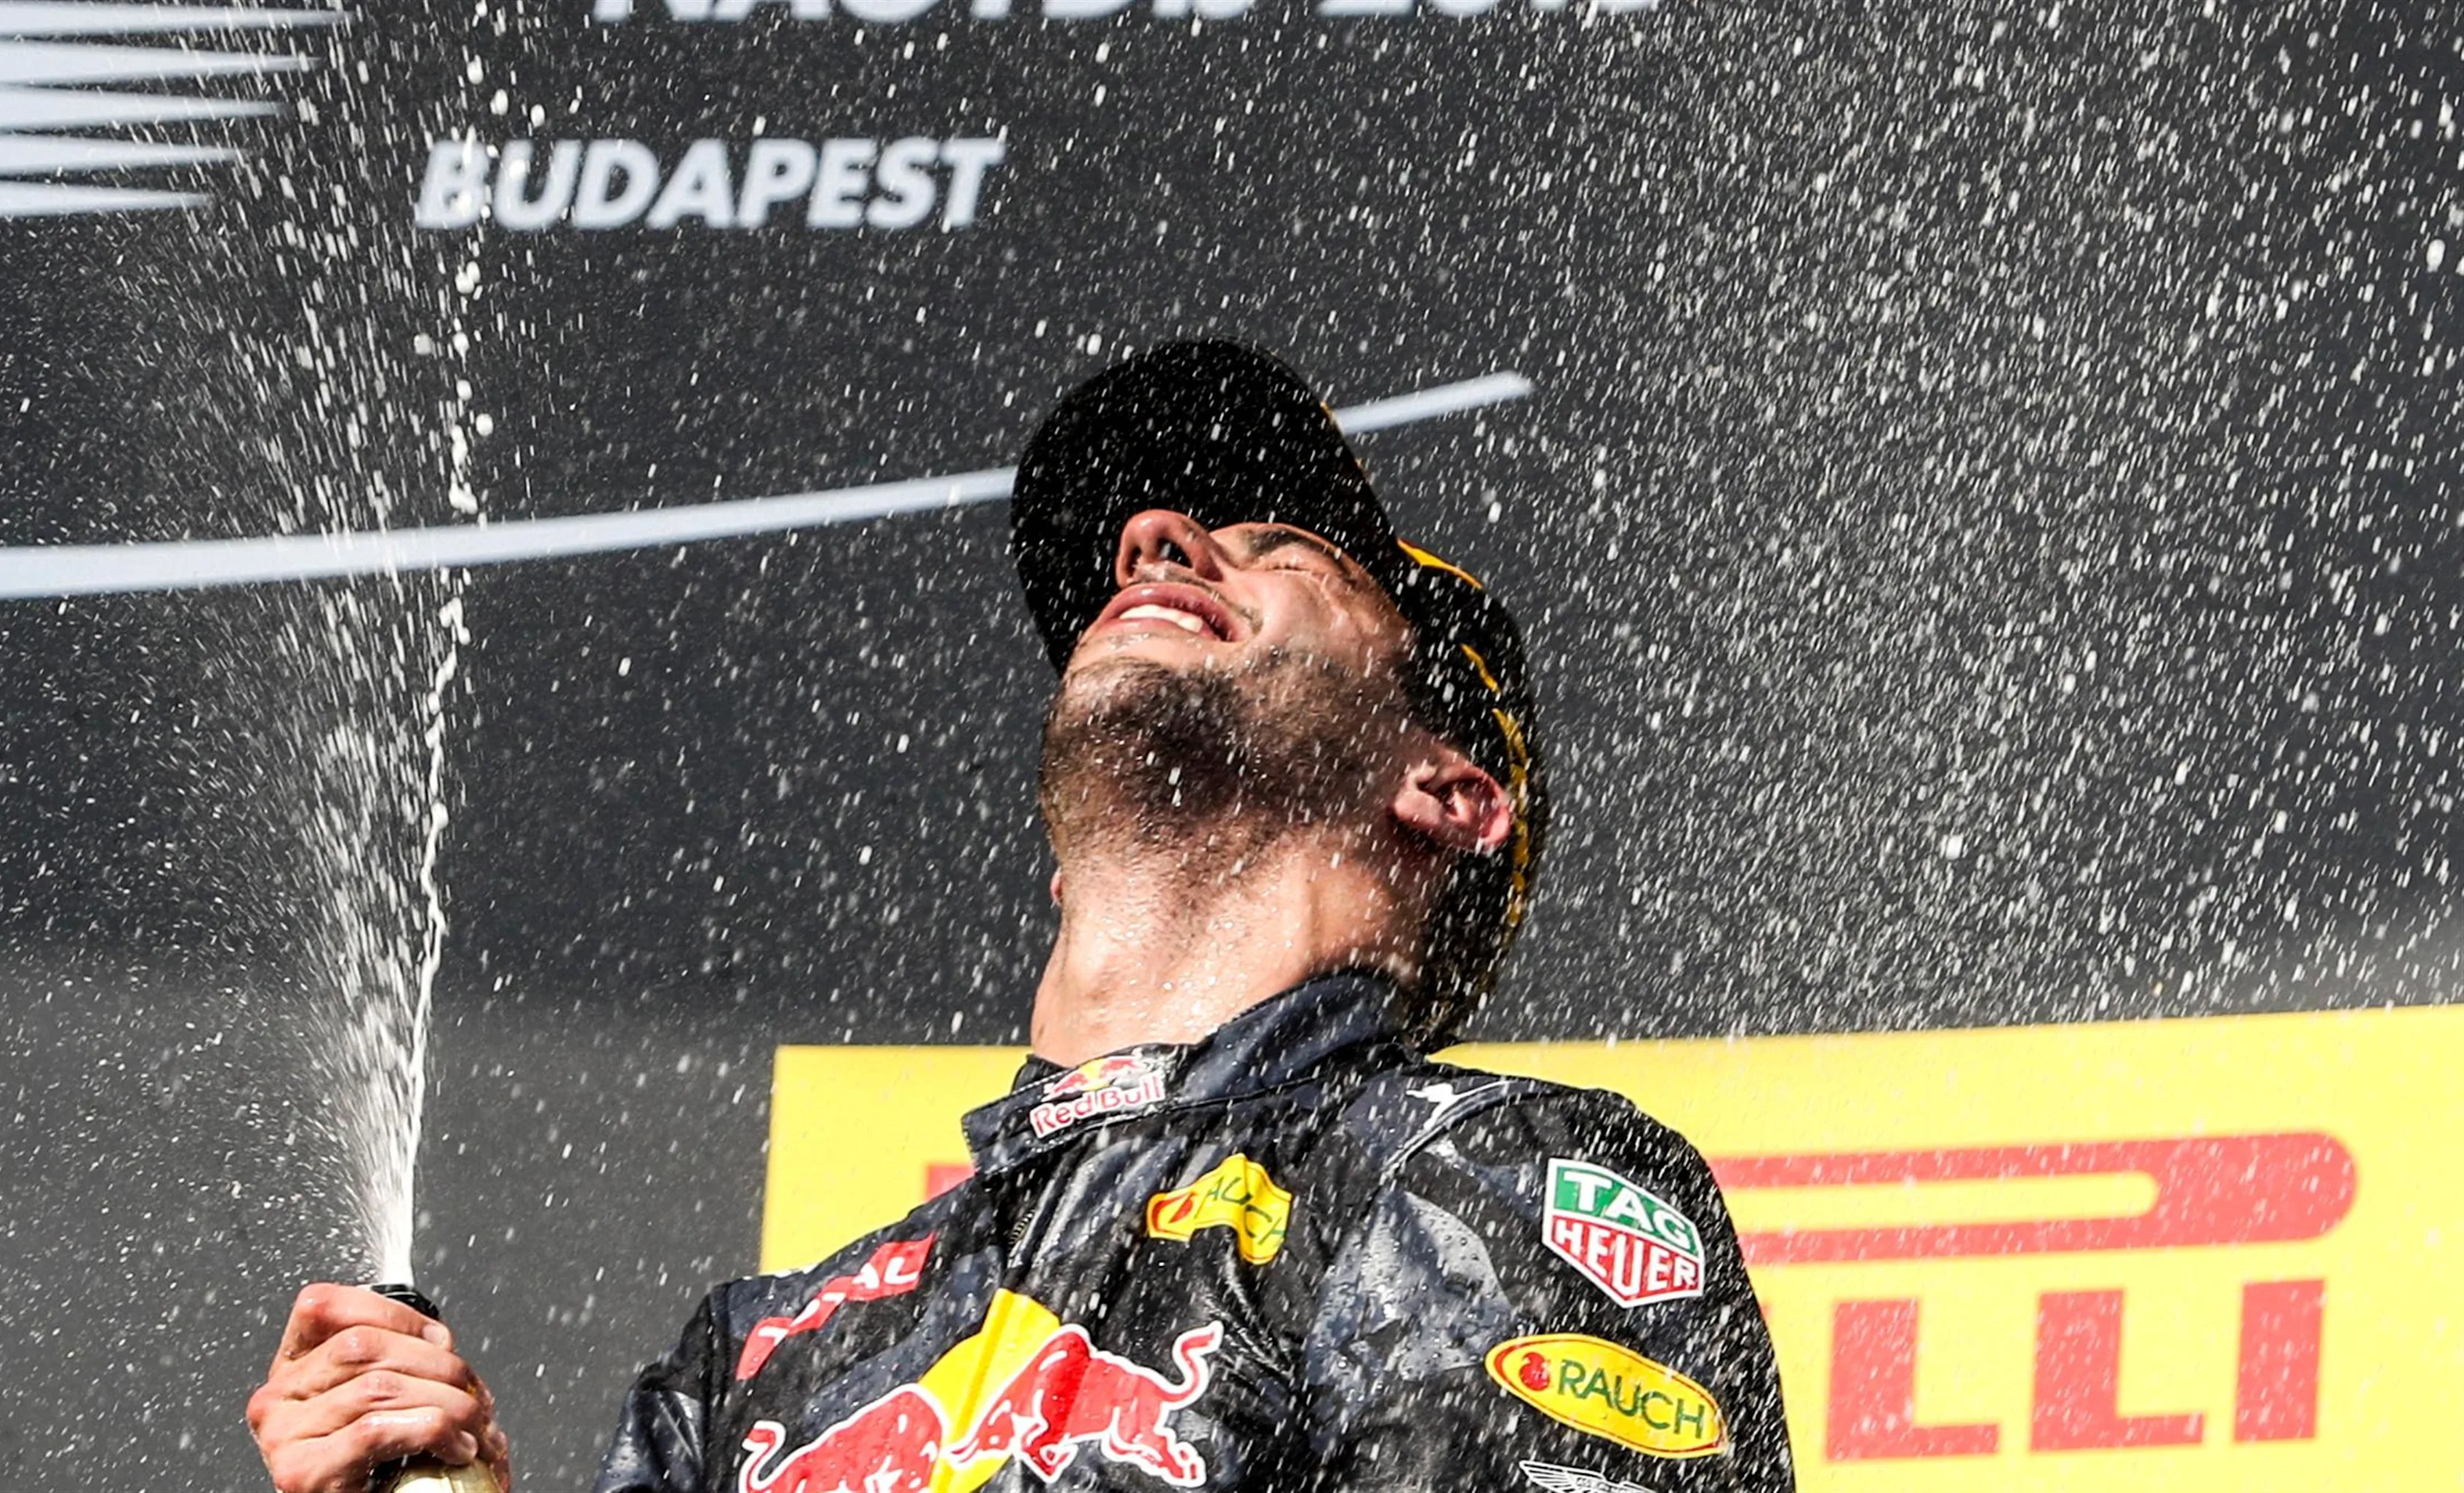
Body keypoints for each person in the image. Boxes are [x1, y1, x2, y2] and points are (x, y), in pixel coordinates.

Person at [248, 340, 1795, 1493]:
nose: (1157, 544)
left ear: (1443, 790)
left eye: (1279, 552)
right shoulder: (758, 1361)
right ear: (1063, 859)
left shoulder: (1477, 1176)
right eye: (1149, 550)